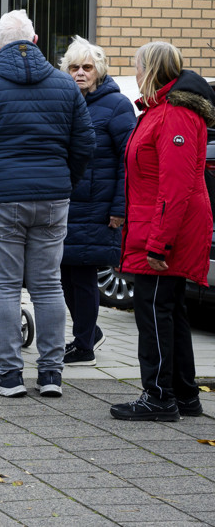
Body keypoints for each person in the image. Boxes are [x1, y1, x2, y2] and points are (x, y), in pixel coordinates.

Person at [0, 10, 94, 398]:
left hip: (0, 199)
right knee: (47, 286)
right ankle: (50, 375)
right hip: (53, 198)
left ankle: (9, 374)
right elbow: (85, 146)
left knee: (5, 286)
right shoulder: (65, 86)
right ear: (37, 40)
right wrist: (66, 183)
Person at [110, 42, 213, 421]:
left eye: (137, 66)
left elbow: (175, 186)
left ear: (151, 69)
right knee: (169, 310)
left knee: (153, 311)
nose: (134, 74)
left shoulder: (174, 115)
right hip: (158, 224)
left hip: (166, 229)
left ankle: (158, 396)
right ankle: (184, 395)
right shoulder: (160, 111)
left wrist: (159, 243)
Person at [58, 36, 136, 367]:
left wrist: (120, 208)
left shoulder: (117, 106)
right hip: (65, 204)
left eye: (86, 67)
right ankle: (89, 332)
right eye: (73, 67)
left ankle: (84, 345)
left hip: (98, 207)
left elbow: (128, 161)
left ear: (99, 70)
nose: (79, 73)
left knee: (84, 276)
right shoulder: (64, 101)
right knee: (62, 274)